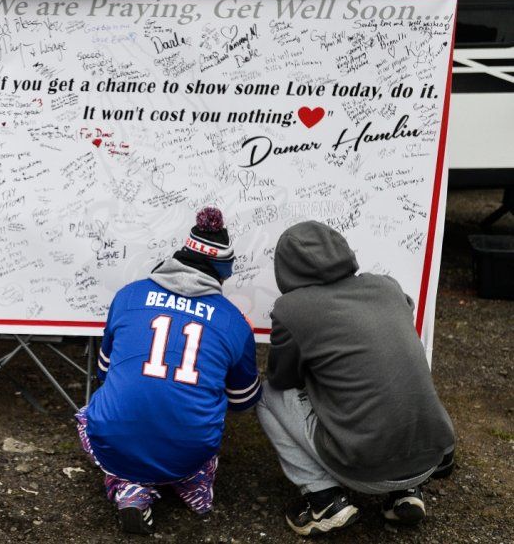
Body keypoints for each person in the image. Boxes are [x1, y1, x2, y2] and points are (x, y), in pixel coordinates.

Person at [256, 220, 455, 536]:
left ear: (286, 268)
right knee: (392, 377)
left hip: (365, 469)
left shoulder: (291, 308)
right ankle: (406, 494)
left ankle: (324, 500)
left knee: (266, 395)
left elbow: (283, 379)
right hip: (431, 458)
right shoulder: (386, 286)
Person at [76, 207, 261, 534]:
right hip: (190, 449)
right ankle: (193, 483)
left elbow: (104, 372)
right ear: (221, 272)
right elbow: (243, 402)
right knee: (200, 421)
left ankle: (131, 489)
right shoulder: (234, 322)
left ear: (179, 257)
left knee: (89, 415)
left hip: (114, 441)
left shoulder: (128, 295)